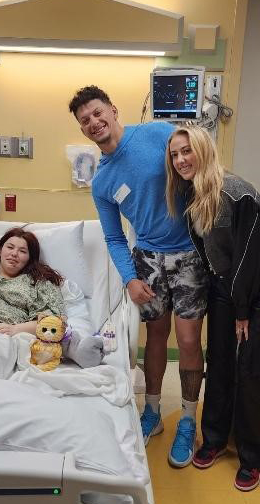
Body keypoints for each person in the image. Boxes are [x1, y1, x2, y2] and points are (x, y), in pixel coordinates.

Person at [69, 85, 209, 467]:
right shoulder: (102, 182)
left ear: (113, 110)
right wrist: (130, 278)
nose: (94, 122)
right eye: (85, 121)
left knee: (189, 338)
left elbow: (197, 160)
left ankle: (186, 418)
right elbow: (114, 237)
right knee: (156, 336)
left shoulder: (158, 133)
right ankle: (151, 411)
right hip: (147, 259)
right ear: (82, 130)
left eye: (98, 113)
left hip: (190, 255)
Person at [166, 125, 260, 491]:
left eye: (187, 151)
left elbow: (249, 258)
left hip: (251, 294)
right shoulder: (194, 194)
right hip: (225, 289)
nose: (181, 160)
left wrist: (241, 311)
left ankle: (252, 457)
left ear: (204, 150)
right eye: (175, 155)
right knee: (219, 361)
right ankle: (216, 438)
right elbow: (212, 255)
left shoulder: (238, 193)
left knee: (248, 370)